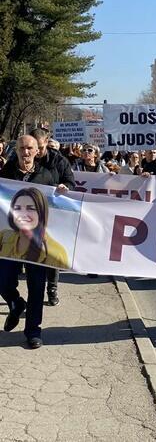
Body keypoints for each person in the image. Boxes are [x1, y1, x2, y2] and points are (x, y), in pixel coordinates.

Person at [0, 135, 69, 349]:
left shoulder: (47, 176)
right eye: (22, 148)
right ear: (16, 151)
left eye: (30, 148)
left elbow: (60, 202)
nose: (26, 152)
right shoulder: (5, 174)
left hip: (38, 242)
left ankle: (33, 331)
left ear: (37, 150)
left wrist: (62, 191)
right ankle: (15, 303)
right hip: (10, 240)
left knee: (37, 287)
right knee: (3, 280)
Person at [25, 128, 75, 306]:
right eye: (33, 147)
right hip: (28, 213)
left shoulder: (59, 161)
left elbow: (71, 182)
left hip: (52, 213)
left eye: (39, 147)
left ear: (46, 142)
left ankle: (52, 288)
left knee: (52, 251)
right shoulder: (23, 156)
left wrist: (62, 187)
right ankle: (33, 294)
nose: (35, 151)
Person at [0, 188, 69, 268]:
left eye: (31, 208)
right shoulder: (4, 236)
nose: (23, 214)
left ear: (41, 213)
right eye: (17, 208)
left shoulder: (56, 252)